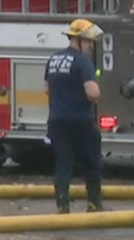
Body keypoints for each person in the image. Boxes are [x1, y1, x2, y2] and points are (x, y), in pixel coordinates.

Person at [44, 18, 105, 214]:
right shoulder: (82, 62)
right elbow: (93, 93)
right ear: (79, 40)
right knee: (91, 162)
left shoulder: (53, 59)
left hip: (57, 120)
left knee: (63, 163)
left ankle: (63, 203)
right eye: (88, 42)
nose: (90, 46)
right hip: (81, 121)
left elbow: (46, 89)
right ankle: (94, 203)